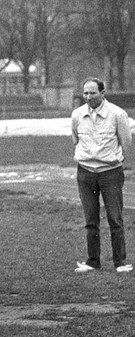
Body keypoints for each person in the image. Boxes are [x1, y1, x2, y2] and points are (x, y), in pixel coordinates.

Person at [72, 78, 132, 273]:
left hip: (110, 173)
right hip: (85, 173)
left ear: (103, 93)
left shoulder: (117, 114)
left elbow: (126, 142)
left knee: (115, 218)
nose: (88, 97)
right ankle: (93, 261)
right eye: (86, 93)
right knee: (90, 220)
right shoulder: (77, 115)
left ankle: (120, 262)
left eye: (93, 93)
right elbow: (75, 139)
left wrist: (114, 160)